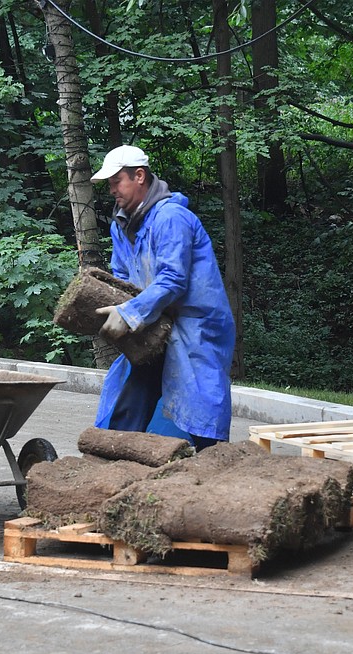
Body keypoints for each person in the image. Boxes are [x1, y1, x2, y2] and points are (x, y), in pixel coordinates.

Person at [90, 145, 235, 450]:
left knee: (199, 404)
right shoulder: (122, 224)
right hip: (154, 322)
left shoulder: (171, 218)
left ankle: (216, 464)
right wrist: (116, 307)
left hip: (194, 327)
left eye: (117, 182)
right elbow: (122, 278)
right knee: (134, 387)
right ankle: (115, 453)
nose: (112, 190)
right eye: (110, 184)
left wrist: (130, 313)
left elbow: (173, 280)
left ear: (139, 176)